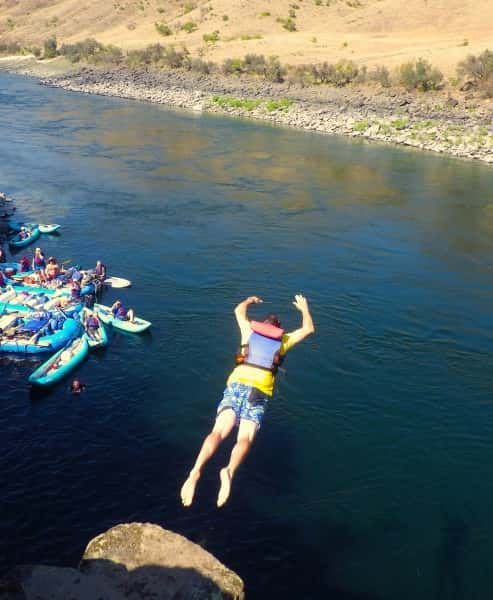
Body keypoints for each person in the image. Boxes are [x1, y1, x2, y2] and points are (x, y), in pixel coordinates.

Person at [180, 294, 315, 508]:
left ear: (262, 326)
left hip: (236, 386)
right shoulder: (283, 341)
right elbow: (308, 329)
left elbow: (238, 311)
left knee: (217, 433)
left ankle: (195, 471)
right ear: (277, 330)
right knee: (245, 439)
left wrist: (249, 301)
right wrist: (304, 309)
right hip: (258, 393)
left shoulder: (249, 331)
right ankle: (229, 471)